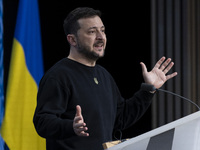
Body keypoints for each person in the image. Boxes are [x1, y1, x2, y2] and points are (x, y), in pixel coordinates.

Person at [33, 7, 177, 150]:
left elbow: (120, 119)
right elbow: (42, 122)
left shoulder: (103, 75)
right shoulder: (58, 76)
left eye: (102, 30)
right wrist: (70, 126)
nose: (101, 37)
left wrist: (148, 89)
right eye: (92, 32)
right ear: (72, 40)